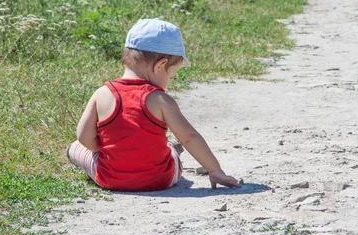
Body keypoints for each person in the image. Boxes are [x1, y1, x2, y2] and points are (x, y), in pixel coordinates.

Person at [67, 18, 242, 192]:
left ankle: (72, 152)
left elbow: (84, 136)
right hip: (160, 179)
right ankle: (171, 148)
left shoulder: (102, 93)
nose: (170, 80)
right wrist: (215, 170)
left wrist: (109, 152)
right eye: (172, 74)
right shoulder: (161, 100)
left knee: (76, 146)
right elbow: (189, 137)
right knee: (170, 152)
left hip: (109, 178)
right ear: (161, 65)